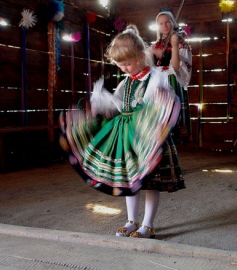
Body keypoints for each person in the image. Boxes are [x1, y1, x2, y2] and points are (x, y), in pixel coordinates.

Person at [60, 24, 186, 239]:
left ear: (141, 56)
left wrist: (158, 101)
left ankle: (147, 224)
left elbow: (164, 102)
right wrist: (102, 101)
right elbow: (118, 105)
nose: (125, 69)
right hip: (126, 139)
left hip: (146, 137)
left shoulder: (155, 78)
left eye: (128, 63)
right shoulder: (124, 83)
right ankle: (131, 221)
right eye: (121, 65)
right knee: (130, 182)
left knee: (150, 183)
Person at [151, 11, 192, 144]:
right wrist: (153, 51)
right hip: (160, 80)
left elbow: (175, 67)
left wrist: (174, 46)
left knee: (174, 106)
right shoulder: (157, 44)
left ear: (172, 23)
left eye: (167, 22)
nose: (165, 25)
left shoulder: (178, 39)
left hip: (172, 78)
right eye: (161, 23)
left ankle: (178, 137)